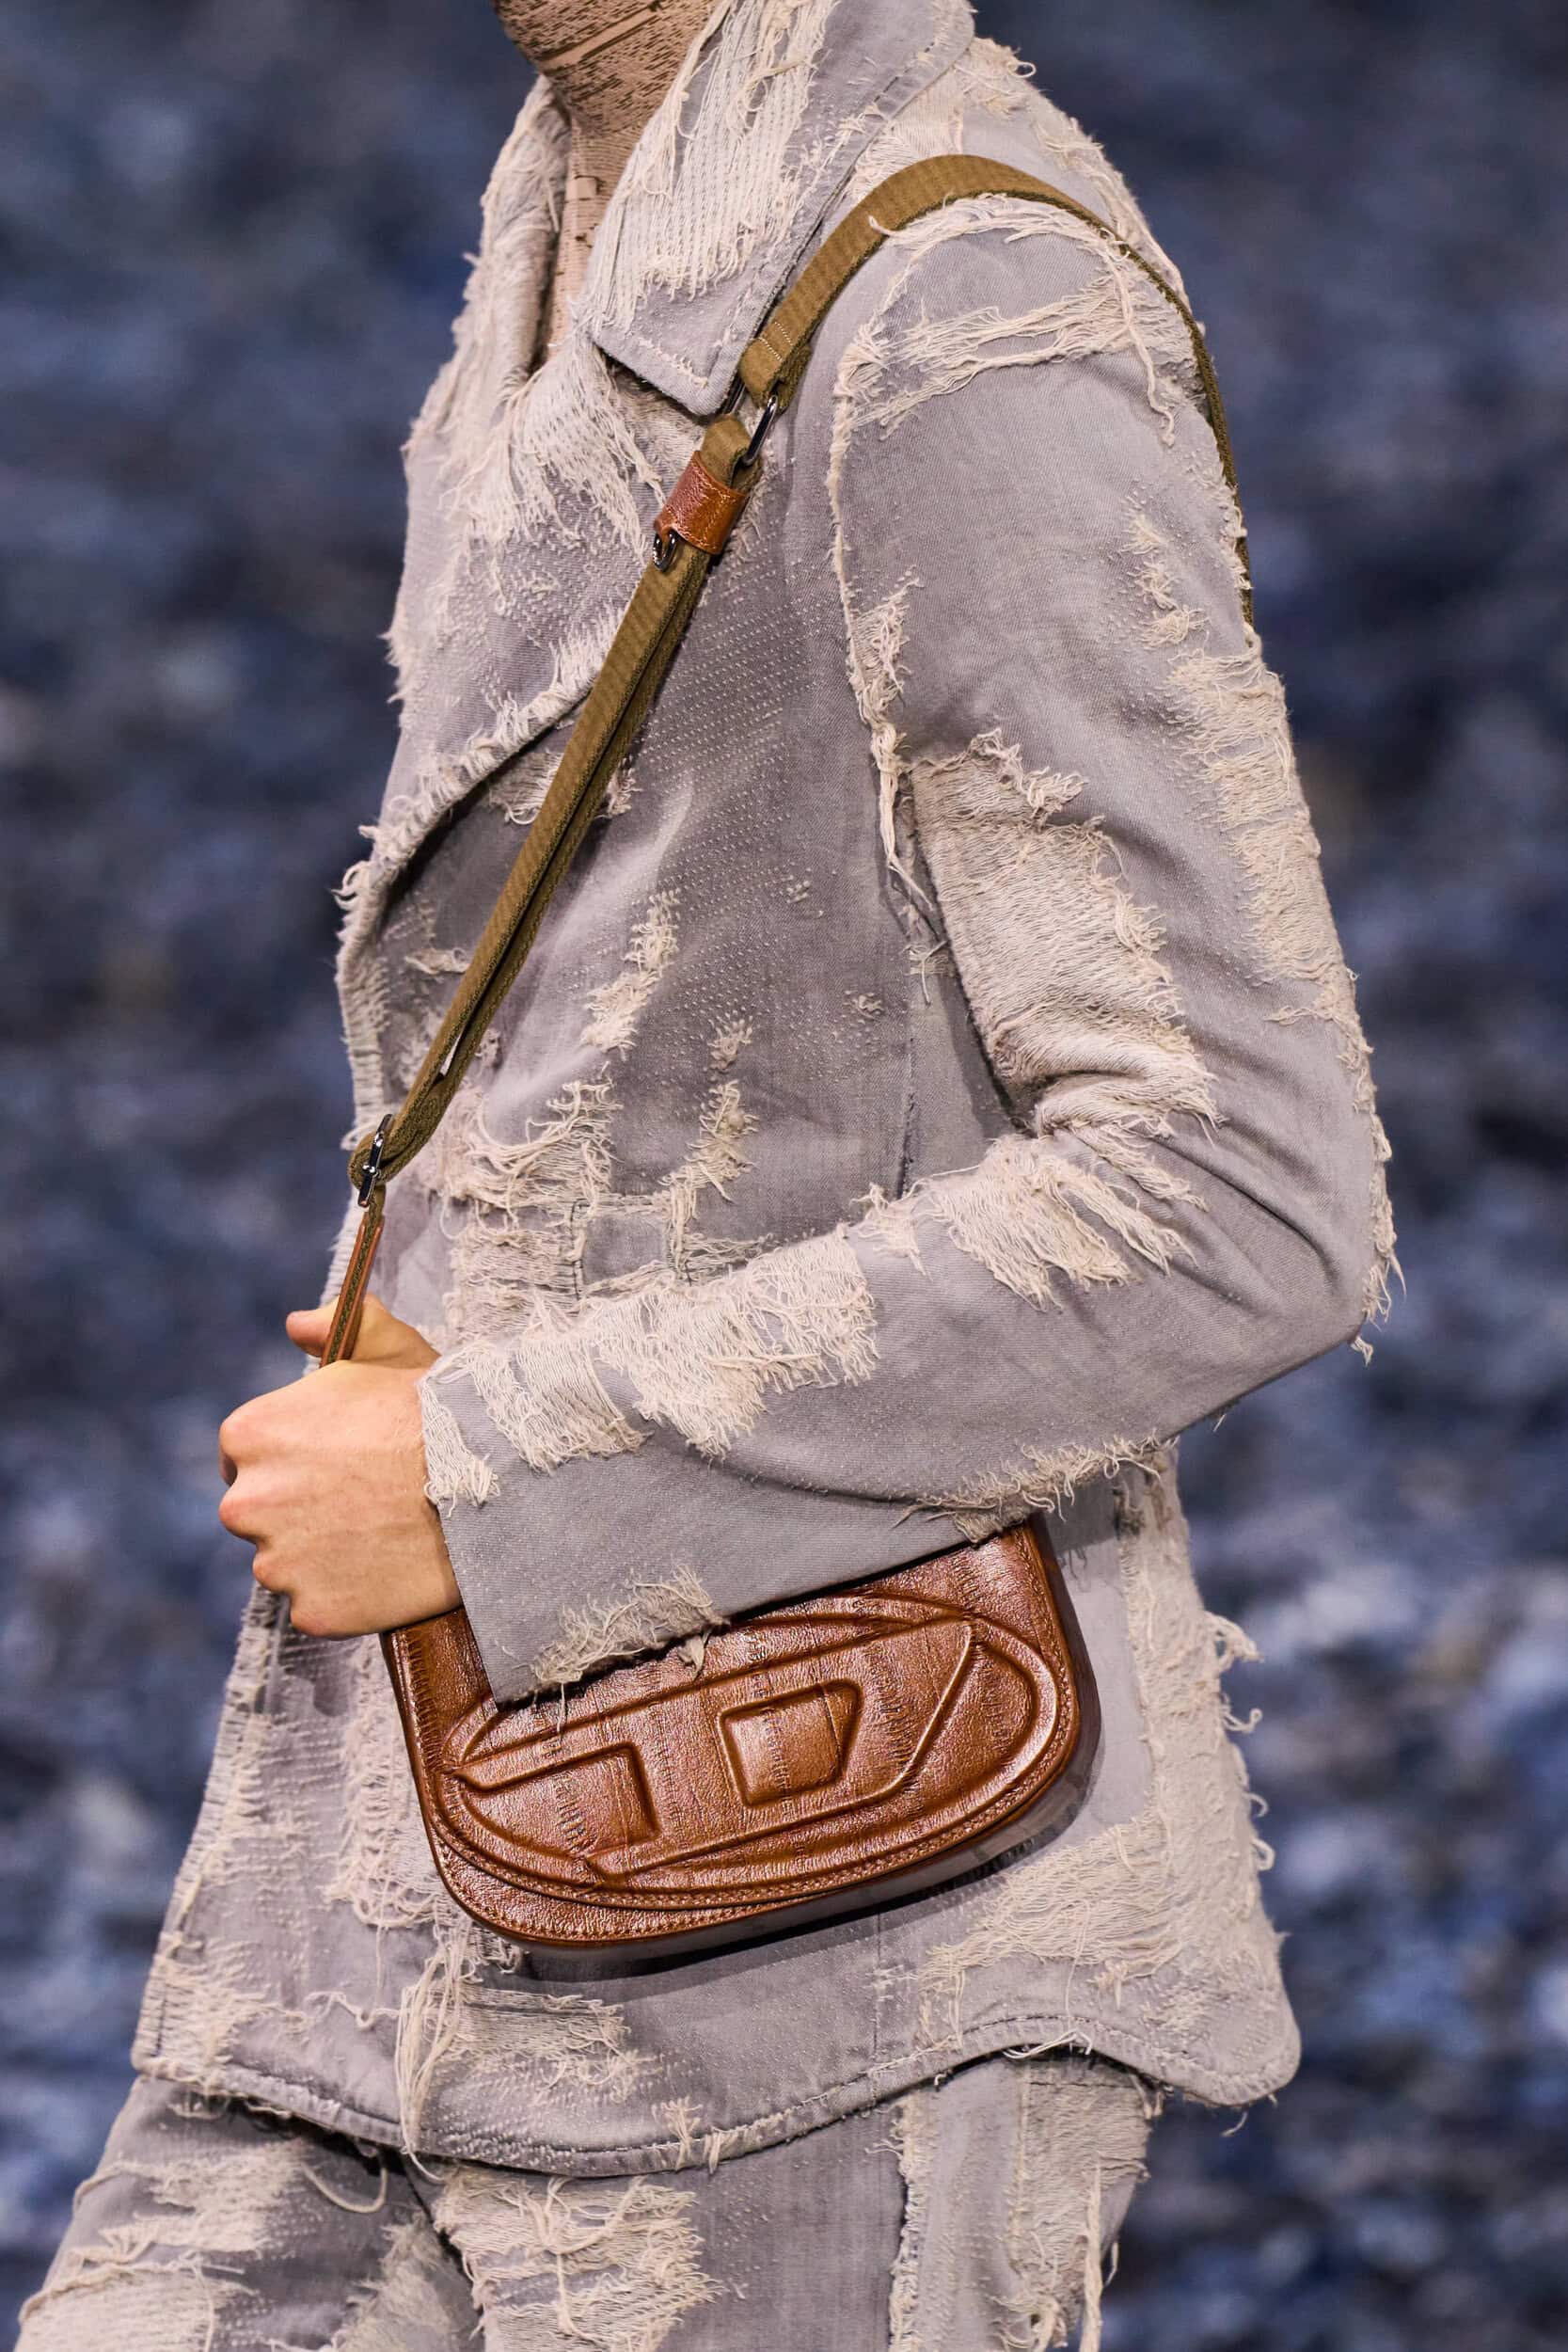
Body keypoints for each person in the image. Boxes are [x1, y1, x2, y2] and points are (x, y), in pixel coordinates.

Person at [21, 1, 1395, 2344]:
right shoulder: (577, 215)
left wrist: (491, 1471)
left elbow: (1243, 1179)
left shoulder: (965, 304)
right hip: (405, 1864)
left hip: (826, 1932)